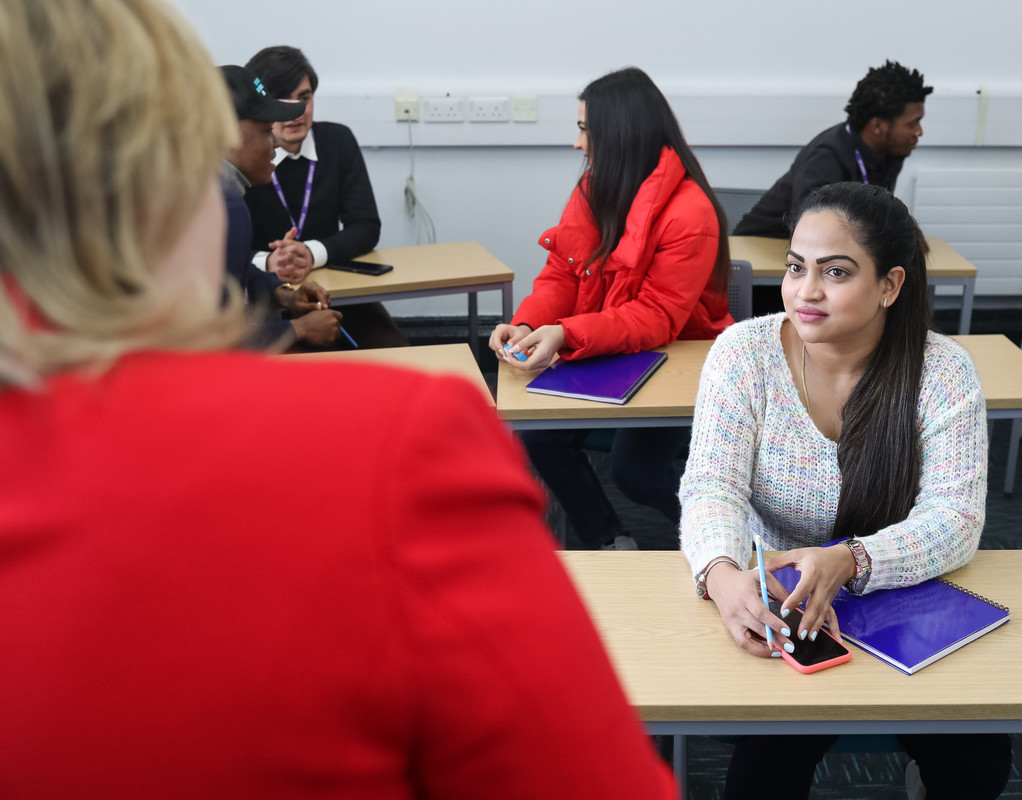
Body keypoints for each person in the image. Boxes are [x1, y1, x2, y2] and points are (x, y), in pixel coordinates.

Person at [0, 3, 675, 798]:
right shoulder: (394, 451)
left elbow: (368, 229)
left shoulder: (345, 152)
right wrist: (535, 318)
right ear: (172, 171)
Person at [680, 182, 1010, 800]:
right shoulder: (744, 354)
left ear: (889, 285)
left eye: (835, 273)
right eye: (795, 267)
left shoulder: (941, 371)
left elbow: (957, 517)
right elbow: (710, 487)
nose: (805, 292)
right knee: (761, 780)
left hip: (903, 595)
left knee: (979, 764)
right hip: (779, 600)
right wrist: (721, 574)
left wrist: (853, 558)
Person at [489, 66, 734, 551]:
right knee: (540, 436)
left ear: (618, 134)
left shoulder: (690, 212)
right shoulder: (595, 188)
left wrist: (567, 334)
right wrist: (527, 323)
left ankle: (731, 543)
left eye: (585, 130)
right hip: (611, 347)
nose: (578, 144)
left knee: (636, 473)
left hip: (677, 360)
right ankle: (609, 541)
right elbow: (562, 272)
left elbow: (657, 317)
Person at [244, 45, 406, 348]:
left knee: (394, 350)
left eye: (303, 99)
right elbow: (224, 248)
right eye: (282, 101)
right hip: (262, 297)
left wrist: (311, 253)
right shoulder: (244, 155)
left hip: (333, 293)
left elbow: (366, 226)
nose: (296, 111)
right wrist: (269, 262)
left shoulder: (337, 141)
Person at [219, 64, 344, 349]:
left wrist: (282, 293)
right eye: (266, 131)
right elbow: (211, 340)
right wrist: (296, 329)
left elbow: (229, 273)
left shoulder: (209, 193)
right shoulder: (223, 208)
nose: (275, 143)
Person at [733, 61, 932, 239]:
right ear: (878, 126)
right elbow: (810, 229)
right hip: (764, 255)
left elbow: (874, 219)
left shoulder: (891, 153)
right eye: (912, 124)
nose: (919, 132)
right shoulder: (826, 157)